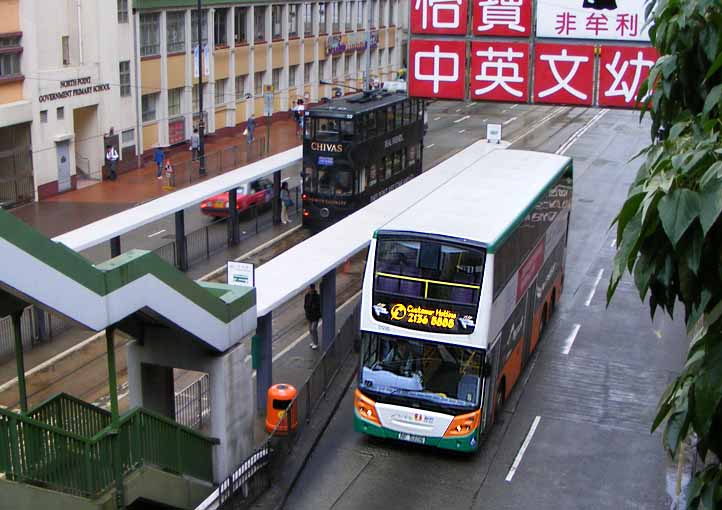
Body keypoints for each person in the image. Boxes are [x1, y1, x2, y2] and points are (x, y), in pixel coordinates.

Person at [304, 283, 321, 350]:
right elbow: (305, 305)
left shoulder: (317, 296)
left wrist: (313, 309)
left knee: (314, 329)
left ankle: (316, 343)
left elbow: (317, 306)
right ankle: (313, 341)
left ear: (313, 289)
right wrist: (307, 311)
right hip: (309, 315)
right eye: (309, 289)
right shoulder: (307, 296)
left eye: (311, 289)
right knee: (310, 329)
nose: (309, 290)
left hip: (315, 316)